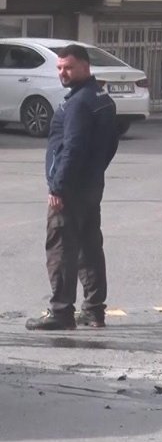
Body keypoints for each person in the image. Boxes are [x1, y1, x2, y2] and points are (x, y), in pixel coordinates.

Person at [27, 45, 119, 331]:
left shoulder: (78, 104)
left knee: (61, 249)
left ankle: (61, 312)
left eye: (68, 67)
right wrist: (95, 171)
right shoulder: (101, 98)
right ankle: (94, 310)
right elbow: (110, 144)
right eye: (59, 68)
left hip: (70, 189)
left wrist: (58, 187)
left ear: (85, 67)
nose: (62, 73)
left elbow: (72, 148)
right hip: (90, 185)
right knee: (89, 247)